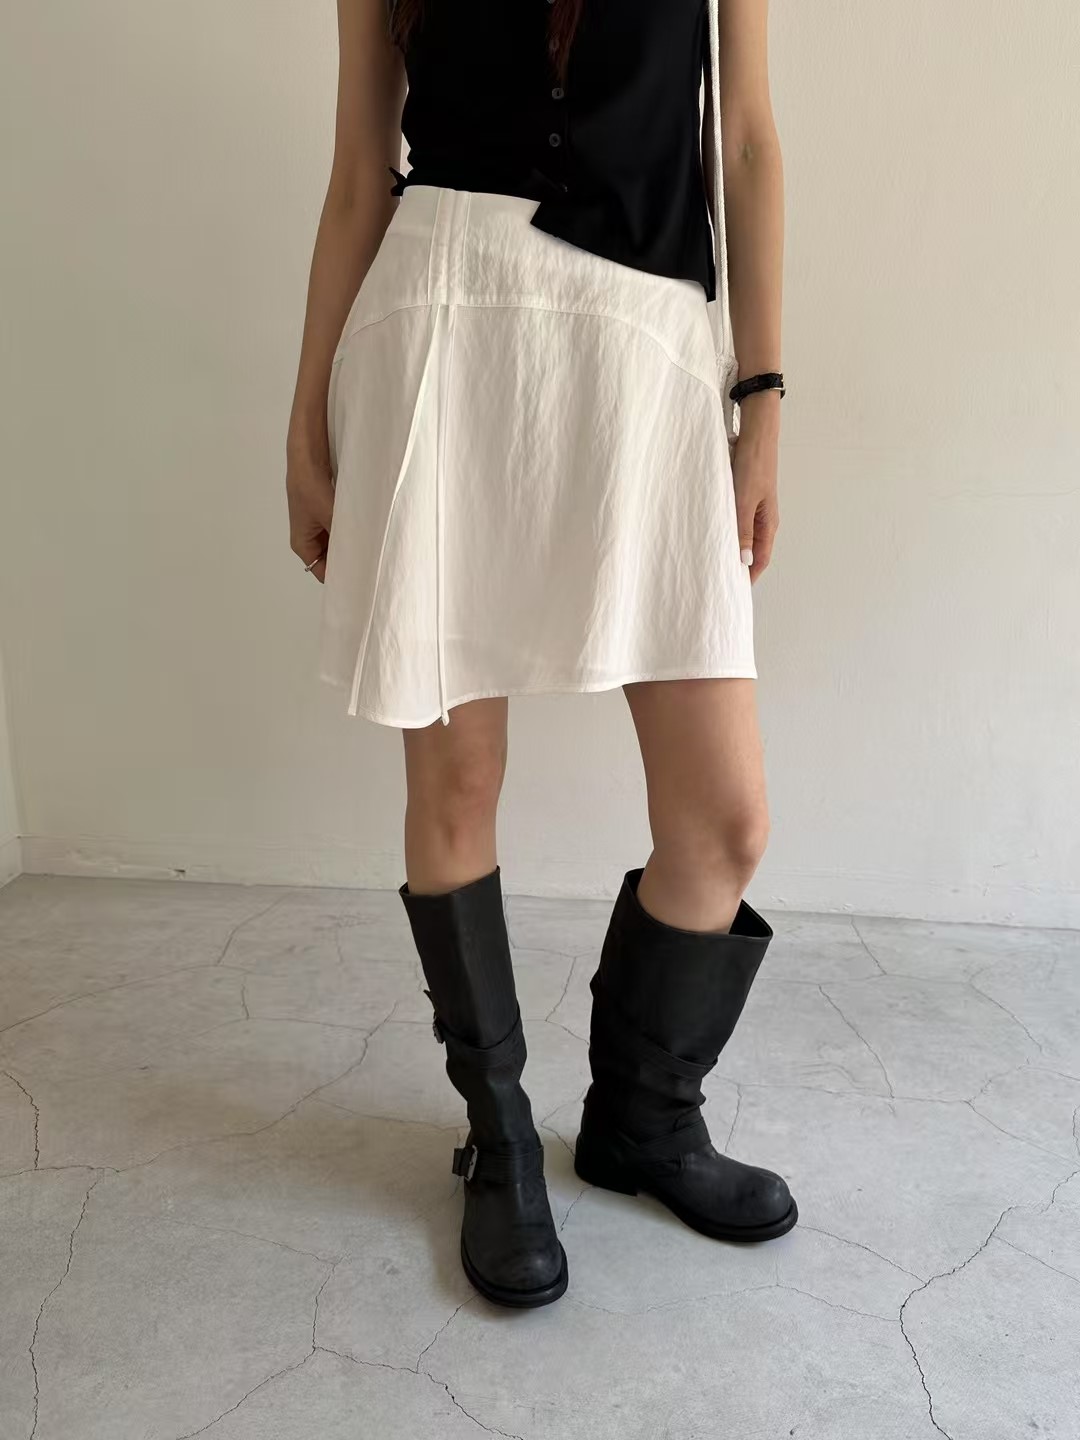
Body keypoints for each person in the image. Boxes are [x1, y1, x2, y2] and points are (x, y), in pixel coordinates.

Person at [285, 0, 794, 1310]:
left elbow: (744, 140)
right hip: (443, 329)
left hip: (649, 347)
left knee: (725, 818)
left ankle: (645, 1119)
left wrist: (763, 398)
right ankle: (498, 1135)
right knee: (458, 778)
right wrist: (304, 422)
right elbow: (358, 175)